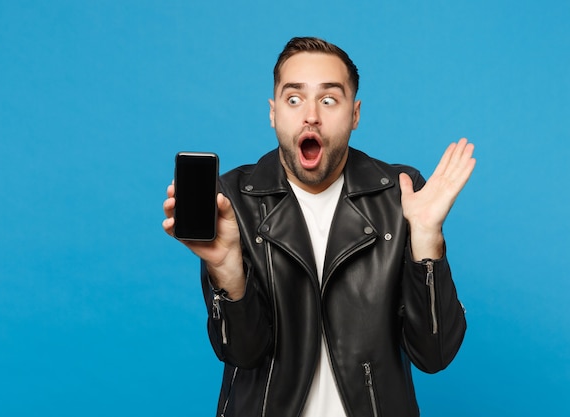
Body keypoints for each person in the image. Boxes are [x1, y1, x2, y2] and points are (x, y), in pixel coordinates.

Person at [162, 36, 475, 417]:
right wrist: (228, 271)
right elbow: (243, 353)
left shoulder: (401, 196)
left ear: (355, 114)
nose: (311, 114)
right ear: (273, 112)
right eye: (294, 99)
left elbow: (434, 354)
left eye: (329, 100)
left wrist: (426, 239)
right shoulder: (233, 201)